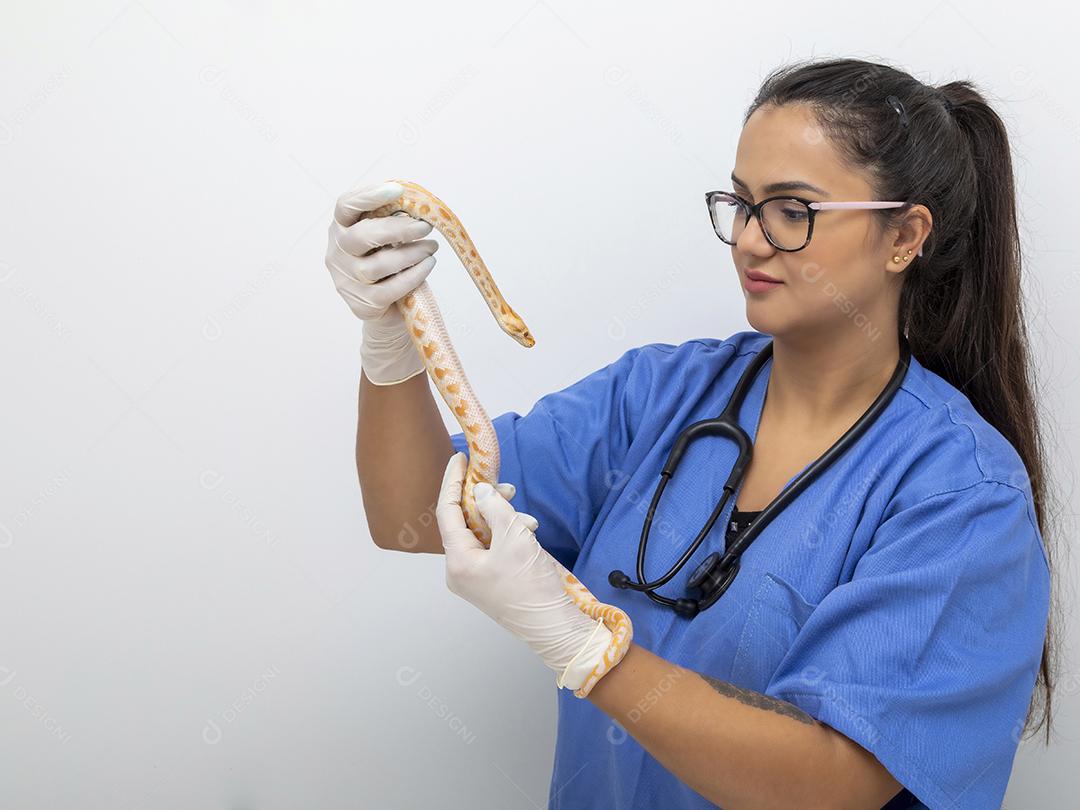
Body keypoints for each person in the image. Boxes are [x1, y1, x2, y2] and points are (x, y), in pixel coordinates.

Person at [327, 57, 1058, 810]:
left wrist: (587, 651)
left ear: (904, 237)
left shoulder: (963, 496)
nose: (749, 240)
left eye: (791, 211)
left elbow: (834, 785)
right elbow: (411, 514)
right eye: (741, 204)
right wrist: (393, 343)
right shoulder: (658, 397)